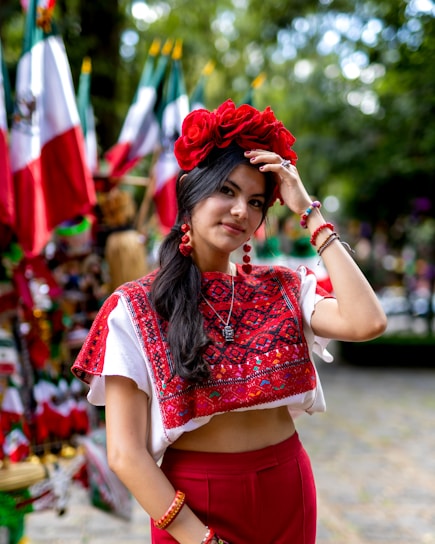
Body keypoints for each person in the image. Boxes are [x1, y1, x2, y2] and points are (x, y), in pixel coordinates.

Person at [72, 98, 387, 544]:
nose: (242, 211)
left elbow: (367, 321)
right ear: (190, 193)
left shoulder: (282, 287)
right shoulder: (135, 307)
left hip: (287, 489)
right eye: (227, 191)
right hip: (191, 506)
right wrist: (199, 538)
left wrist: (308, 212)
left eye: (256, 201)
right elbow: (125, 453)